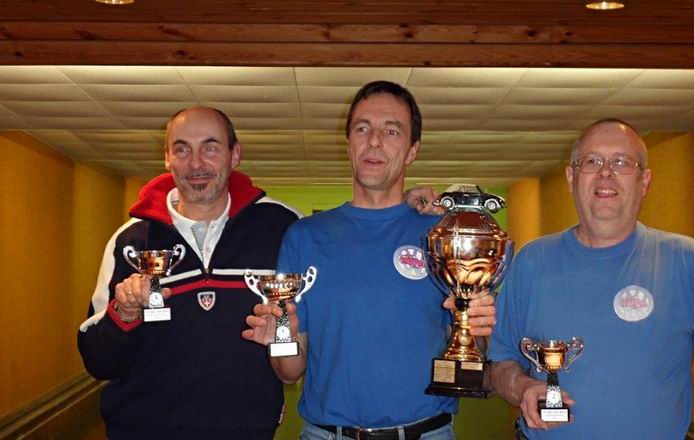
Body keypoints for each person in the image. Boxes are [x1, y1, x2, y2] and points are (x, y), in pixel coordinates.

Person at [243, 81, 497, 439]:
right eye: (362, 128)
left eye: (391, 131)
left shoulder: (443, 237)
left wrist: (480, 326)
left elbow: (475, 353)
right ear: (348, 142)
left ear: (412, 150)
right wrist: (278, 337)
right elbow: (289, 371)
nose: (374, 141)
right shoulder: (305, 236)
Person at [489, 118, 694, 440]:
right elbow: (500, 364)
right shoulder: (531, 261)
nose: (605, 172)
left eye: (621, 162)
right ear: (571, 178)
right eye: (592, 161)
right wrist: (522, 386)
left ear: (644, 181)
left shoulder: (687, 261)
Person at [77, 107, 302, 439]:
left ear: (234, 154)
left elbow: (297, 351)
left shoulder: (282, 227)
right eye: (182, 149)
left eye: (210, 147)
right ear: (167, 157)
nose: (196, 163)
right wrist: (123, 314)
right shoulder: (131, 241)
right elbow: (99, 362)